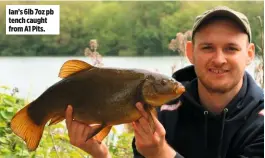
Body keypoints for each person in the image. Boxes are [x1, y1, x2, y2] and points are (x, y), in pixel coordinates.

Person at [65, 6, 264, 158]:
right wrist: (101, 155)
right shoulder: (161, 105)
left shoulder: (261, 122)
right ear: (189, 52)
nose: (219, 59)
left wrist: (161, 153)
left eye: (231, 48)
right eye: (207, 47)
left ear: (249, 54)